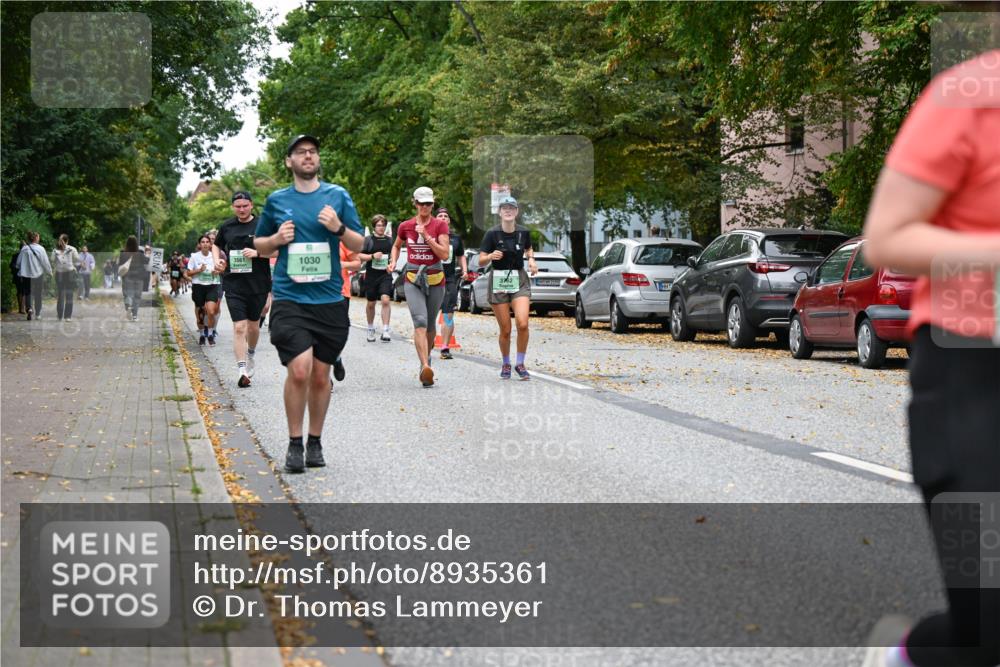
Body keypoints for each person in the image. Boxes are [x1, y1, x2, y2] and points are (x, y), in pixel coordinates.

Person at [861, 50, 1000, 667]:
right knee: (988, 624)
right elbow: (888, 236)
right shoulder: (968, 97)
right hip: (973, 372)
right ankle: (910, 657)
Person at [254, 134, 364, 473]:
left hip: (329, 299)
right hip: (290, 298)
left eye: (313, 152)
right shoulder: (276, 201)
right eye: (300, 152)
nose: (307, 156)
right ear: (289, 161)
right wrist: (276, 239)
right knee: (299, 370)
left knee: (320, 376)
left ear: (318, 159)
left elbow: (360, 243)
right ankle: (294, 443)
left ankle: (315, 441)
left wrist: (338, 227)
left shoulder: (336, 196)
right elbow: (259, 245)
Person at [388, 187, 450, 387]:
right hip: (413, 279)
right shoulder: (405, 226)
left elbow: (444, 255)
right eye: (421, 203)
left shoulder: (440, 225)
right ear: (414, 203)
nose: (425, 207)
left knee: (431, 325)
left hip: (435, 279)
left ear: (433, 204)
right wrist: (393, 260)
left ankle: (427, 357)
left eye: (429, 203)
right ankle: (424, 366)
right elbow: (397, 245)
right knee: (420, 321)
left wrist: (427, 237)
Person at [212, 191, 273, 388]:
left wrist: (258, 253)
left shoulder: (264, 225)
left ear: (251, 205)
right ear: (233, 207)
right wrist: (218, 261)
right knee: (239, 327)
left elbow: (279, 249)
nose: (241, 209)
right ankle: (242, 371)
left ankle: (251, 354)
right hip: (233, 282)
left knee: (253, 326)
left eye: (245, 205)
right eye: (237, 206)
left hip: (258, 283)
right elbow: (216, 245)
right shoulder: (227, 226)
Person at [479, 195, 538, 379]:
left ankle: (520, 363)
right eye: (505, 208)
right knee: (505, 329)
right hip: (498, 280)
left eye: (512, 208)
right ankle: (506, 363)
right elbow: (480, 260)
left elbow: (528, 248)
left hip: (518, 279)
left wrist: (531, 260)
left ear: (517, 212)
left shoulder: (523, 232)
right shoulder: (491, 234)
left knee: (522, 323)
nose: (508, 211)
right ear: (500, 212)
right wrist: (490, 257)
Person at [436, 208, 467, 360]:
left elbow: (461, 256)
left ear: (449, 221)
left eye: (445, 216)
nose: (443, 218)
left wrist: (465, 270)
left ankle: (445, 346)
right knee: (430, 312)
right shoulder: (430, 237)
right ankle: (427, 342)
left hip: (449, 279)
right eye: (440, 215)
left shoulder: (455, 239)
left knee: (448, 312)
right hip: (432, 278)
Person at [358, 214, 394, 342]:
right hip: (371, 275)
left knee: (385, 300)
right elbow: (359, 255)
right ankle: (370, 327)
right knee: (371, 303)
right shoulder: (368, 240)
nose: (381, 227)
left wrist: (391, 265)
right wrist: (372, 256)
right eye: (379, 225)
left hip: (385, 275)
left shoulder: (389, 240)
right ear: (374, 226)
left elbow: (393, 256)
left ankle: (385, 330)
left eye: (383, 225)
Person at [332, 241, 361, 387]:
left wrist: (342, 264)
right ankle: (324, 377)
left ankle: (336, 358)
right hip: (314, 292)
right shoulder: (308, 238)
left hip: (340, 292)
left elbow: (357, 264)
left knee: (337, 332)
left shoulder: (342, 242)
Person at [186, 235, 222, 345]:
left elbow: (220, 269)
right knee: (200, 314)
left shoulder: (214, 256)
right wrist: (199, 270)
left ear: (210, 244)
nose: (205, 243)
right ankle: (202, 334)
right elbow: (188, 273)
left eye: (207, 242)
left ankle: (210, 334)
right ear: (199, 245)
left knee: (211, 311)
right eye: (203, 242)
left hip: (212, 285)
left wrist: (217, 272)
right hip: (198, 286)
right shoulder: (194, 257)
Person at [15, 232, 50, 319]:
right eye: (38, 237)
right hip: (38, 274)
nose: (39, 238)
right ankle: (38, 314)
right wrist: (50, 271)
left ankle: (29, 309)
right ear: (36, 238)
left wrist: (21, 267)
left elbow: (18, 263)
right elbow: (45, 262)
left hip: (26, 275)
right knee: (38, 293)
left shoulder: (24, 249)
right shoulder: (41, 249)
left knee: (28, 292)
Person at [118, 235, 148, 321]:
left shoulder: (123, 253)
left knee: (128, 294)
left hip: (127, 276)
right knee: (137, 296)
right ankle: (135, 316)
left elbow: (120, 264)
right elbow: (147, 261)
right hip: (139, 276)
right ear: (136, 243)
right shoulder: (140, 253)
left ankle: (128, 307)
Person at [51, 233, 80, 321]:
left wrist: (67, 249)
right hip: (59, 274)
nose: (61, 242)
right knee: (60, 294)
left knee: (69, 294)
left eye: (62, 240)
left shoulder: (72, 249)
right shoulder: (55, 250)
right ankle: (60, 315)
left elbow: (76, 258)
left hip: (69, 273)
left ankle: (68, 316)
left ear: (66, 241)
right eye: (60, 240)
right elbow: (52, 260)